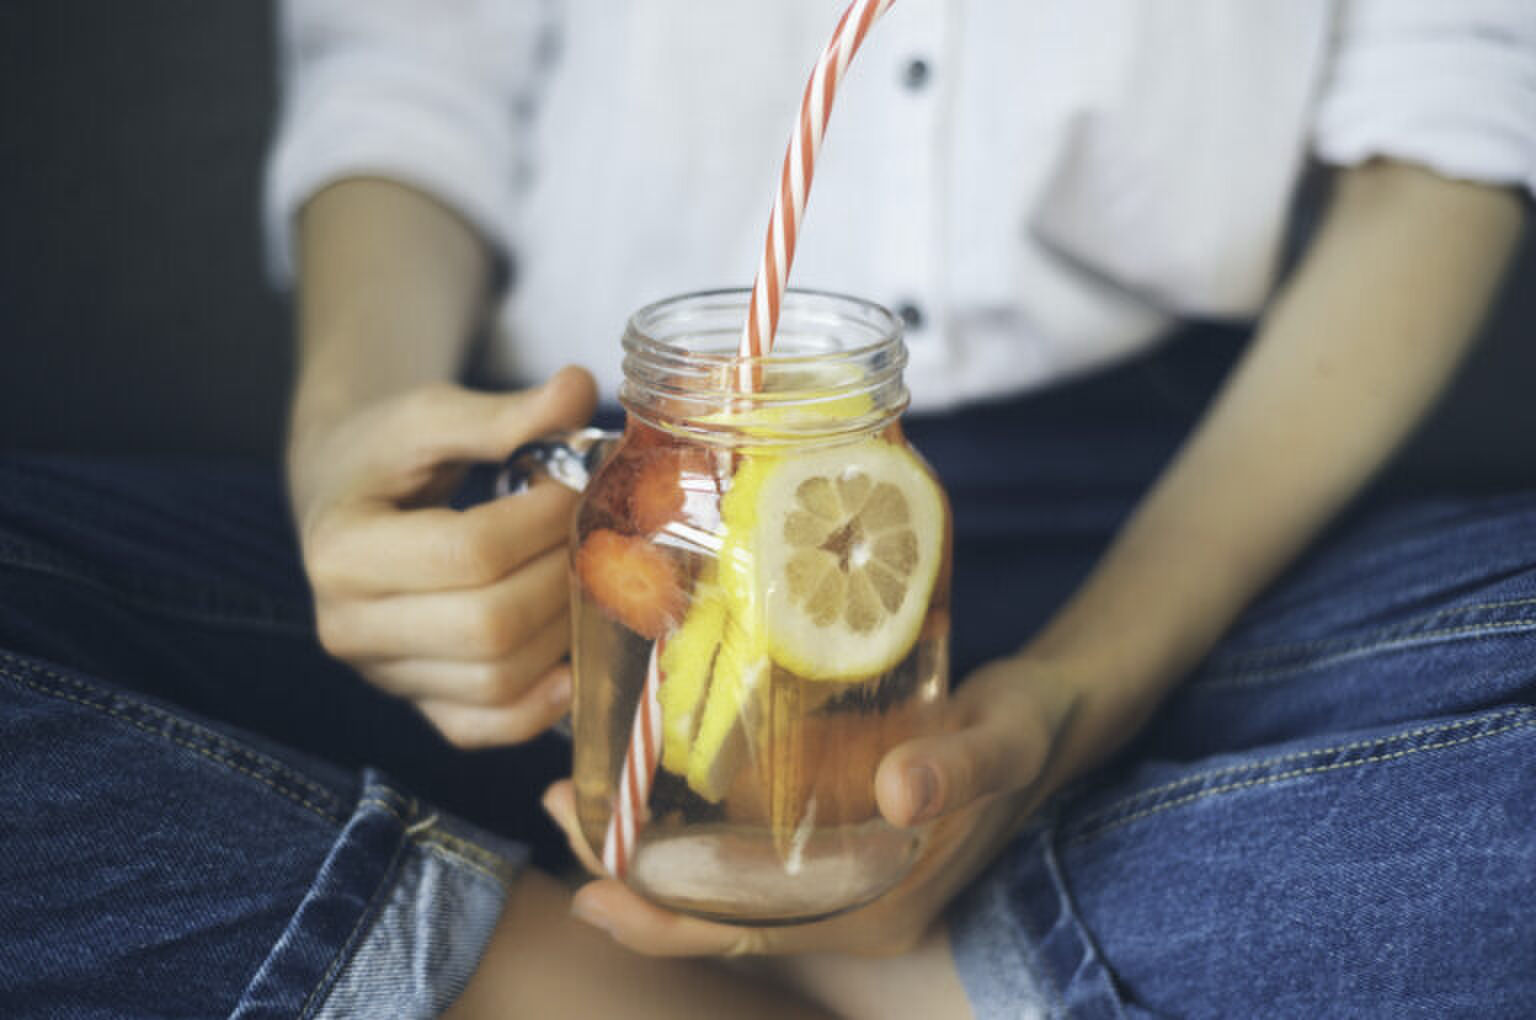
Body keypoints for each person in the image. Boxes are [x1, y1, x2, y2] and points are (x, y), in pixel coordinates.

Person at [4, 1, 1531, 1016]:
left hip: (1173, 518)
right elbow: (403, 71)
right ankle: (644, 986)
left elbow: (1456, 124)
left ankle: (923, 948)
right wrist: (351, 454)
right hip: (571, 524)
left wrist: (1069, 702)